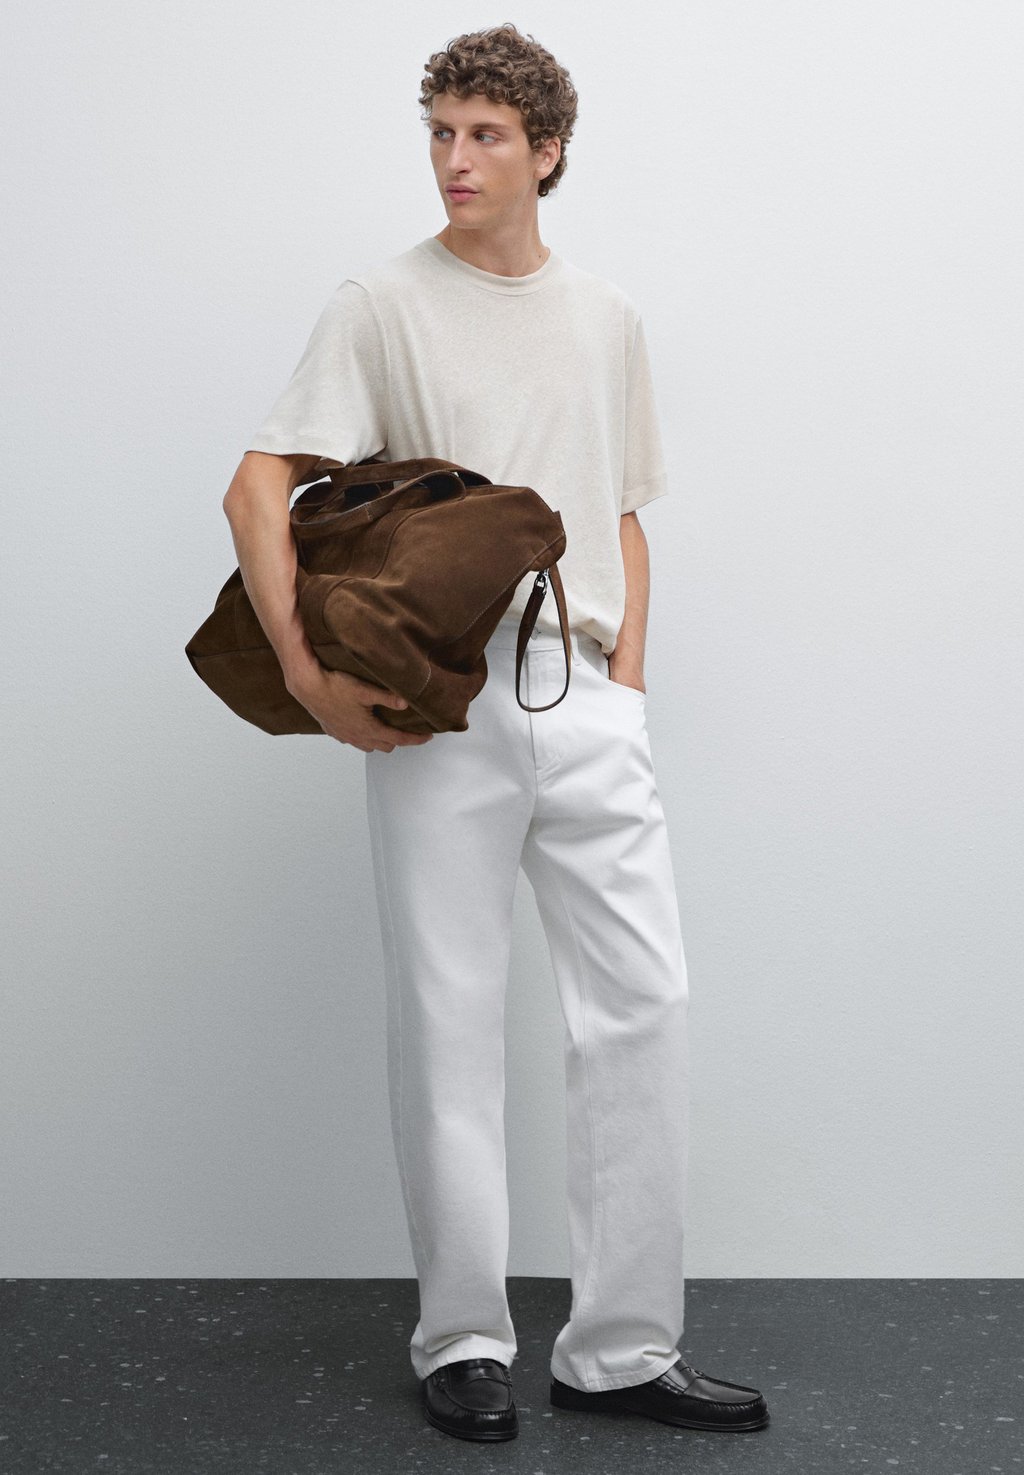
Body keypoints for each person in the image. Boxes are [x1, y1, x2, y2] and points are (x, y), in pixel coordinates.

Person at [222, 22, 769, 1446]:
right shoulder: (382, 302)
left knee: (642, 1008)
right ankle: (463, 1337)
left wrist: (625, 686)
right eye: (440, 133)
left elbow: (622, 512)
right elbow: (259, 484)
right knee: (450, 1018)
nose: (454, 161)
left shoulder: (605, 316)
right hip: (441, 703)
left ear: (547, 151)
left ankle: (624, 1349)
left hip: (583, 691)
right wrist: (312, 681)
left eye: (484, 136)